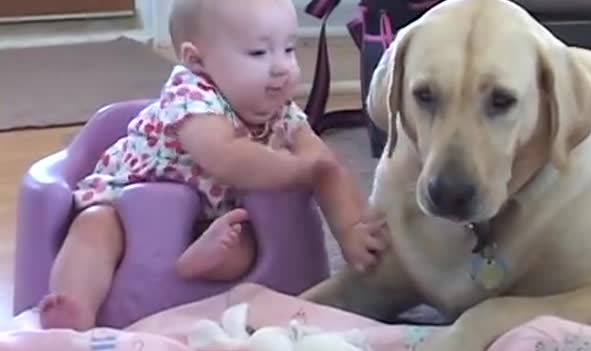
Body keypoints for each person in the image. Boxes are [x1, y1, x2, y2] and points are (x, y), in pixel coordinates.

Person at [38, 0, 387, 330]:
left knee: (245, 244)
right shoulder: (191, 95)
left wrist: (351, 229)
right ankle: (75, 305)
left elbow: (324, 165)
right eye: (259, 52)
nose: (282, 66)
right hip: (125, 199)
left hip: (214, 216)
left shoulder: (282, 111)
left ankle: (199, 264)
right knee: (94, 227)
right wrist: (297, 168)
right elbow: (226, 158)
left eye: (290, 49)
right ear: (197, 60)